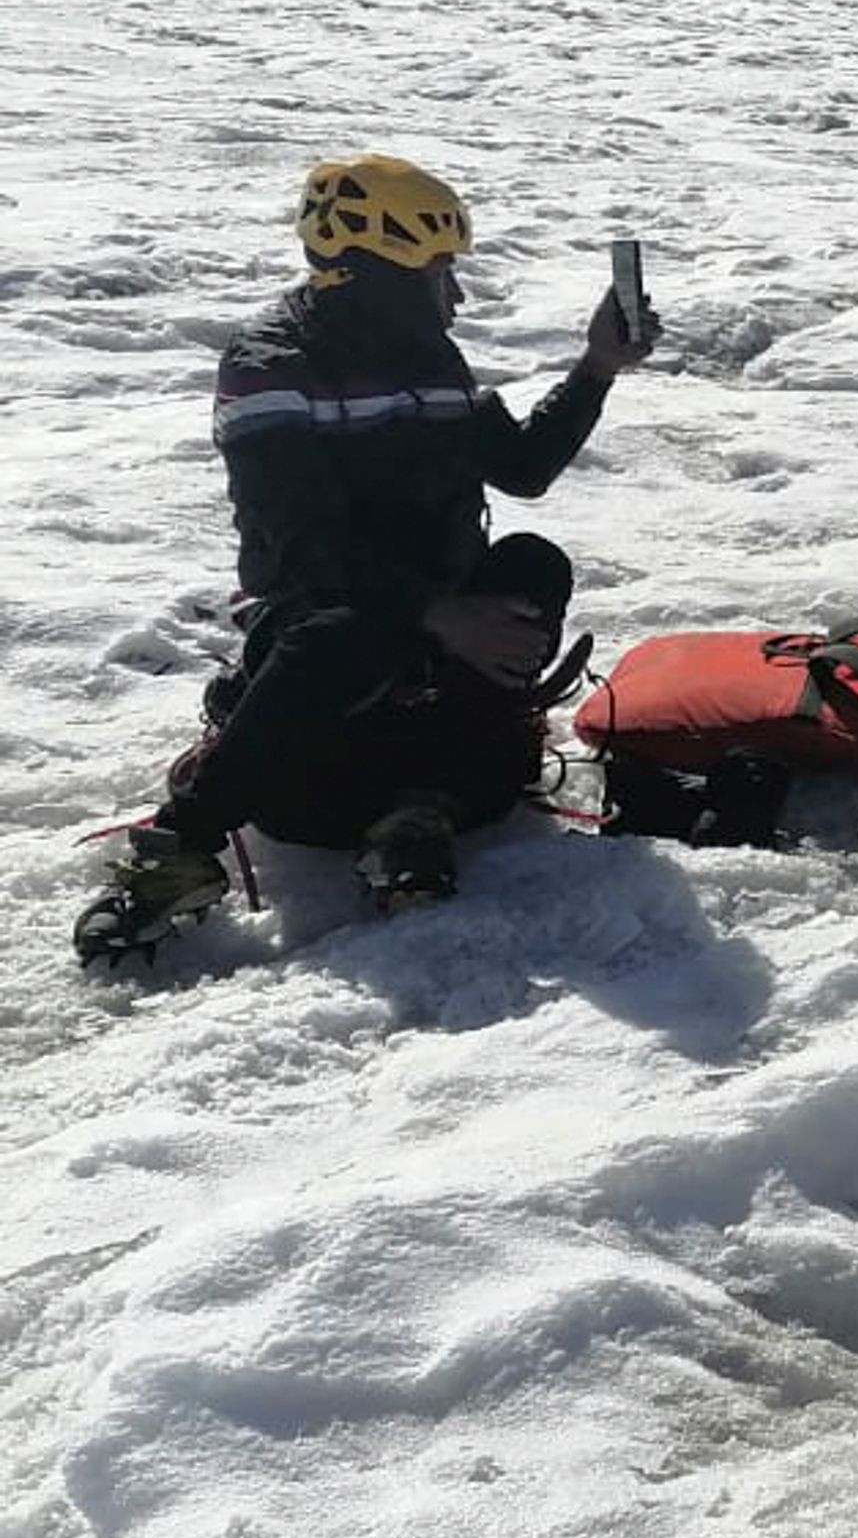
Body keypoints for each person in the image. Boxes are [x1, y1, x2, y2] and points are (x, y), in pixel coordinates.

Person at [74, 155, 657, 963]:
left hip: (430, 634)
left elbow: (520, 469)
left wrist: (597, 369)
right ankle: (181, 847)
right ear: (383, 274)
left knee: (531, 565)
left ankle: (419, 808)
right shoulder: (272, 362)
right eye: (439, 273)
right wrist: (437, 613)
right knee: (343, 627)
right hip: (326, 643)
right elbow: (300, 547)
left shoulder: (431, 360)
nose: (455, 295)